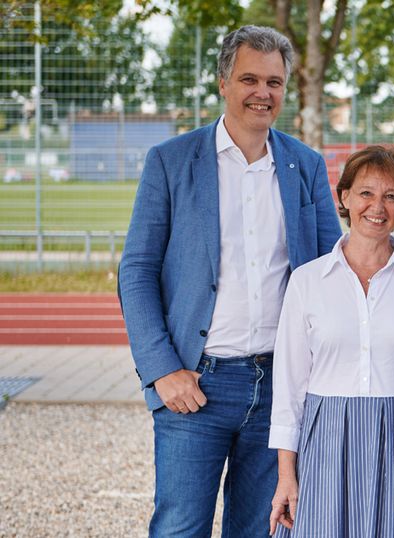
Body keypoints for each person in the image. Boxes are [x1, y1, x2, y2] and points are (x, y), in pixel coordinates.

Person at [118, 26, 342, 537]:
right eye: (249, 79)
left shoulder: (304, 166)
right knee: (179, 528)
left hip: (279, 388)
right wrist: (161, 371)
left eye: (274, 82)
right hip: (196, 386)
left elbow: (330, 271)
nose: (262, 93)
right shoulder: (171, 162)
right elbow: (136, 271)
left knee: (262, 530)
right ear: (223, 82)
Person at [268, 145, 394, 536]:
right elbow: (289, 389)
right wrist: (286, 476)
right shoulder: (307, 282)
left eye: (391, 196)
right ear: (344, 197)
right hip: (325, 441)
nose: (378, 206)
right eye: (366, 193)